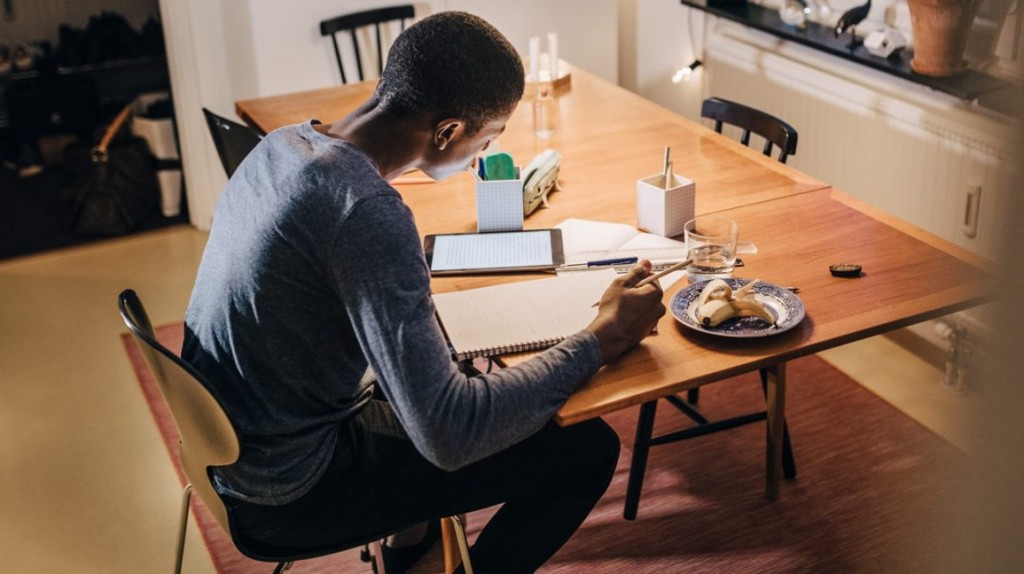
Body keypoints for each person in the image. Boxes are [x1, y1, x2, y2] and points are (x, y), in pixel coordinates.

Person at [182, 11, 665, 573]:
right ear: (448, 132)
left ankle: (411, 552)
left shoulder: (286, 144)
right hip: (289, 491)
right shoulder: (366, 213)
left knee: (439, 379)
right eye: (487, 140)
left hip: (235, 444)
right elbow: (448, 434)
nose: (480, 157)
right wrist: (600, 340)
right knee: (588, 451)